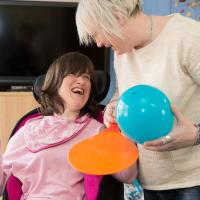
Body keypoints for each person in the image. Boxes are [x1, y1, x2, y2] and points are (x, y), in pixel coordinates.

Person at [76, 0, 200, 199]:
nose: (98, 43)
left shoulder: (188, 37)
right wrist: (113, 108)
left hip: (193, 181)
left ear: (117, 18)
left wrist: (196, 135)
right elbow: (126, 96)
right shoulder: (122, 52)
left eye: (96, 33)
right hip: (150, 183)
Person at [0, 52, 137, 199]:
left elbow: (128, 176)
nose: (82, 81)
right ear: (55, 82)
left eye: (87, 77)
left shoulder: (97, 131)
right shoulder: (27, 131)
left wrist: (124, 125)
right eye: (73, 74)